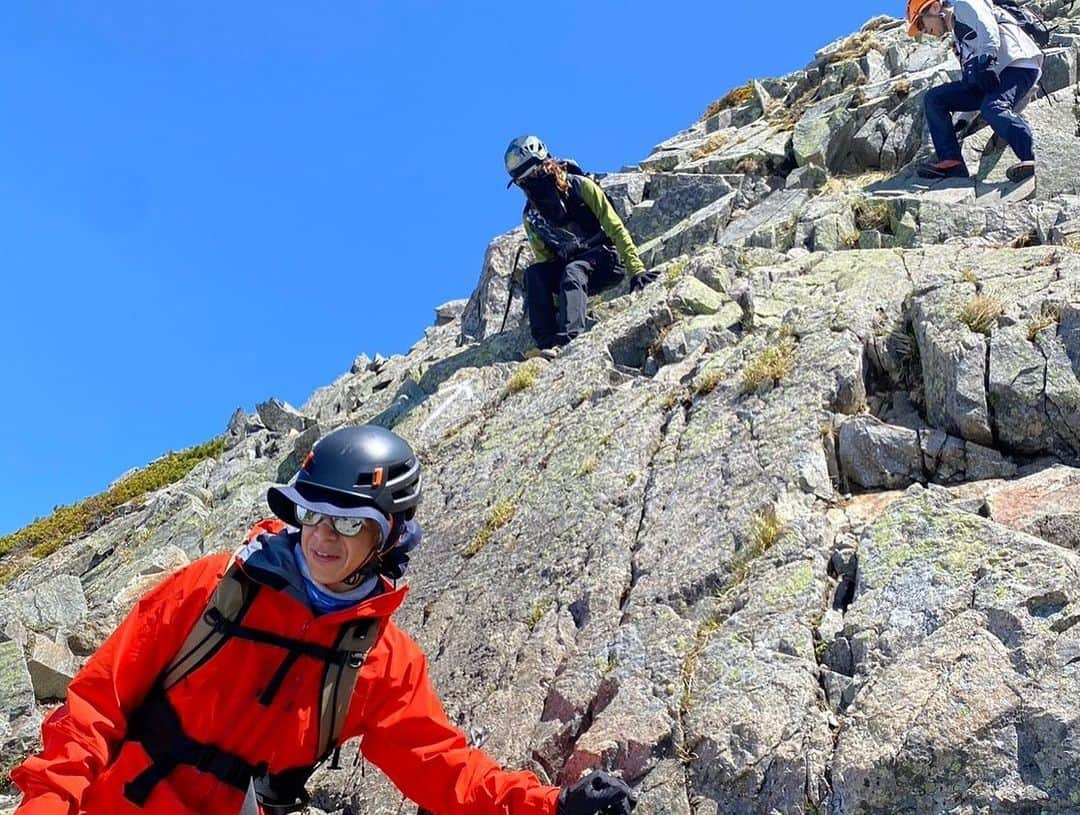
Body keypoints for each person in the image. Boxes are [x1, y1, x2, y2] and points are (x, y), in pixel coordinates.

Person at [11, 425, 636, 815]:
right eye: (313, 513)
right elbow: (96, 706)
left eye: (349, 521)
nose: (323, 536)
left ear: (388, 535)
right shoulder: (212, 586)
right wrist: (45, 804)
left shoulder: (384, 662)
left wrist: (550, 806)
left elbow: (441, 768)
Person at [505, 135, 658, 355]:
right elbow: (545, 260)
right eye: (524, 180)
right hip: (574, 271)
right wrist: (558, 304)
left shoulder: (580, 186)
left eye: (534, 174)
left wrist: (637, 270)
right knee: (534, 274)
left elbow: (614, 227)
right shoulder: (532, 217)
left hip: (607, 260)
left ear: (546, 164)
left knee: (573, 270)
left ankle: (569, 340)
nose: (531, 183)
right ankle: (545, 344)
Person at [907, 0, 1043, 182]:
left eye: (921, 23)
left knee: (993, 107)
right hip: (993, 74)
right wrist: (964, 119)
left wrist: (987, 57)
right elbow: (974, 83)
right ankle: (952, 162)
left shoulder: (965, 5)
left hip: (1017, 64)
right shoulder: (957, 39)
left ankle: (1033, 158)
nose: (923, 31)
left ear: (934, 7)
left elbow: (987, 26)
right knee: (934, 98)